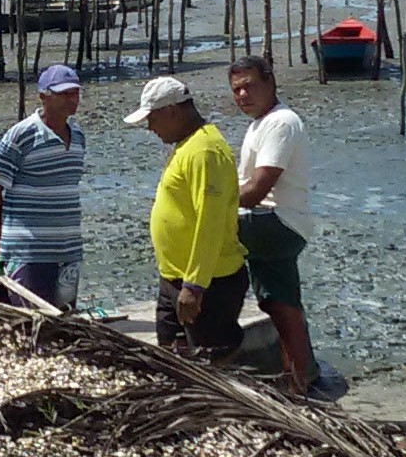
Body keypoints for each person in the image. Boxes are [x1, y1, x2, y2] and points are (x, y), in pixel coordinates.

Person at [126, 76, 249, 357]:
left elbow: (211, 221)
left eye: (152, 119)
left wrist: (194, 286)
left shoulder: (205, 151)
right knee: (171, 358)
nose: (150, 127)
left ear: (171, 111)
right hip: (174, 279)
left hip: (208, 284)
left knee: (210, 365)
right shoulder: (188, 145)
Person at [227, 54, 317, 395]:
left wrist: (210, 207)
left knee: (282, 306)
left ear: (270, 82)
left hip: (277, 221)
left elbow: (257, 189)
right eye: (236, 90)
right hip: (272, 221)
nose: (242, 95)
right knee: (278, 303)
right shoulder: (260, 124)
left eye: (249, 86)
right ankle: (298, 375)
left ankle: (297, 383)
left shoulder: (281, 123)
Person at [0, 63, 86, 311]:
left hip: (68, 248)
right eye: (64, 94)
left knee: (65, 320)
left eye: (75, 93)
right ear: (43, 96)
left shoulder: (79, 137)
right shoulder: (21, 135)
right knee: (33, 320)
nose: (72, 100)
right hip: (29, 251)